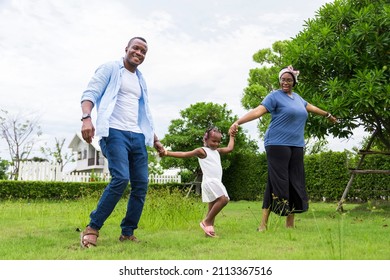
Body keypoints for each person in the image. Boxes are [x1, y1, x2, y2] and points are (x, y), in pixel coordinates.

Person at [79, 37, 164, 248]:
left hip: (137, 136)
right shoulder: (110, 68)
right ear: (126, 49)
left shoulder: (141, 79)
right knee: (121, 179)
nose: (139, 53)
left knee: (141, 185)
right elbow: (90, 93)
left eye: (144, 51)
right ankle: (92, 227)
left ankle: (127, 232)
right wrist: (86, 118)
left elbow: (143, 114)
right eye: (136, 48)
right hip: (114, 132)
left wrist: (155, 140)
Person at [229, 65, 337, 232]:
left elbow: (312, 108)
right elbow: (258, 111)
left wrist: (328, 115)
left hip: (297, 145)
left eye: (289, 80)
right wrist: (238, 122)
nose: (285, 82)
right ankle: (263, 225)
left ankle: (289, 224)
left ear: (294, 82)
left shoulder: (298, 98)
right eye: (283, 79)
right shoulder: (274, 97)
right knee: (278, 181)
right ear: (279, 81)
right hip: (276, 143)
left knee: (295, 181)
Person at [161, 127, 235, 237]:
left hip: (216, 181)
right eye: (213, 141)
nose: (216, 144)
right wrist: (167, 153)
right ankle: (206, 221)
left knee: (212, 207)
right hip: (210, 182)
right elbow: (184, 154)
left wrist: (232, 136)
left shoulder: (217, 151)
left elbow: (229, 148)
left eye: (219, 142)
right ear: (206, 140)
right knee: (224, 199)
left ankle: (209, 231)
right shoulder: (202, 151)